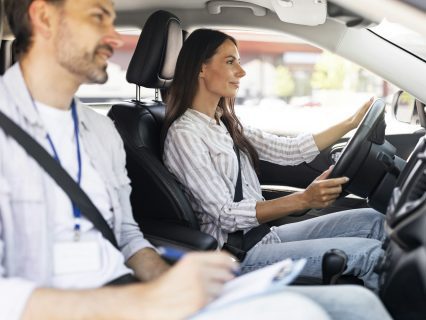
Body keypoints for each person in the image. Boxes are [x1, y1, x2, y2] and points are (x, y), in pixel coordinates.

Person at [0, 1, 393, 319]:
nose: (114, 35)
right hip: (122, 299)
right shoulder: (180, 132)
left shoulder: (100, 131)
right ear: (44, 17)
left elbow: (126, 233)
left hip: (138, 294)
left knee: (363, 278)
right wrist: (142, 302)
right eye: (98, 15)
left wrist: (166, 281)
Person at [162, 28, 386, 291]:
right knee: (371, 254)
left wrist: (352, 123)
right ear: (201, 68)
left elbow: (290, 150)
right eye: (230, 61)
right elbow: (225, 215)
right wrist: (303, 199)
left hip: (263, 236)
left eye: (239, 62)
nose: (241, 72)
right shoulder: (185, 135)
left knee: (375, 221)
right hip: (236, 253)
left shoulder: (223, 123)